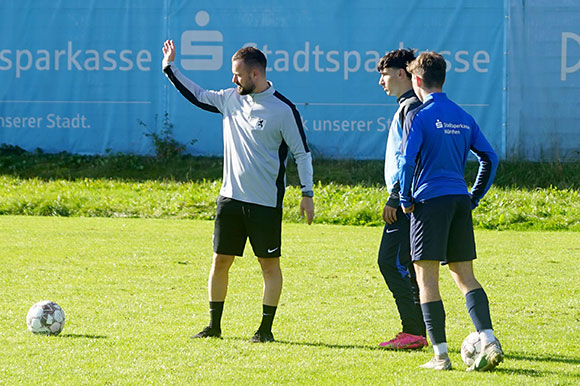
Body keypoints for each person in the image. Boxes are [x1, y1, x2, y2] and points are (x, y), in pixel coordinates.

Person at [161, 40, 314, 343]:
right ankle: (213, 326)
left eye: (238, 74)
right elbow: (198, 94)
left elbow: (302, 154)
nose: (233, 79)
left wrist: (306, 193)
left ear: (255, 74)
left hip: (264, 204)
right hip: (229, 199)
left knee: (268, 266)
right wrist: (170, 68)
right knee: (220, 261)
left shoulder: (283, 110)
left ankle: (265, 330)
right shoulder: (230, 98)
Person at [399, 51, 502, 370]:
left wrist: (405, 197)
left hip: (429, 201)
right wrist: (472, 197)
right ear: (442, 79)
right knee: (464, 275)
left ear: (416, 80)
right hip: (458, 199)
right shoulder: (462, 115)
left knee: (426, 277)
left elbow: (406, 161)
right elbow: (490, 157)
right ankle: (488, 339)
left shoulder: (420, 115)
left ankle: (440, 356)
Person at [375, 49, 427, 350]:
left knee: (390, 262)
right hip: (412, 199)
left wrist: (396, 197)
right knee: (408, 264)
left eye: (384, 74)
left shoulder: (411, 108)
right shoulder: (409, 105)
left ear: (401, 73)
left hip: (406, 201)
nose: (381, 81)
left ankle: (414, 329)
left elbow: (411, 157)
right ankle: (421, 330)